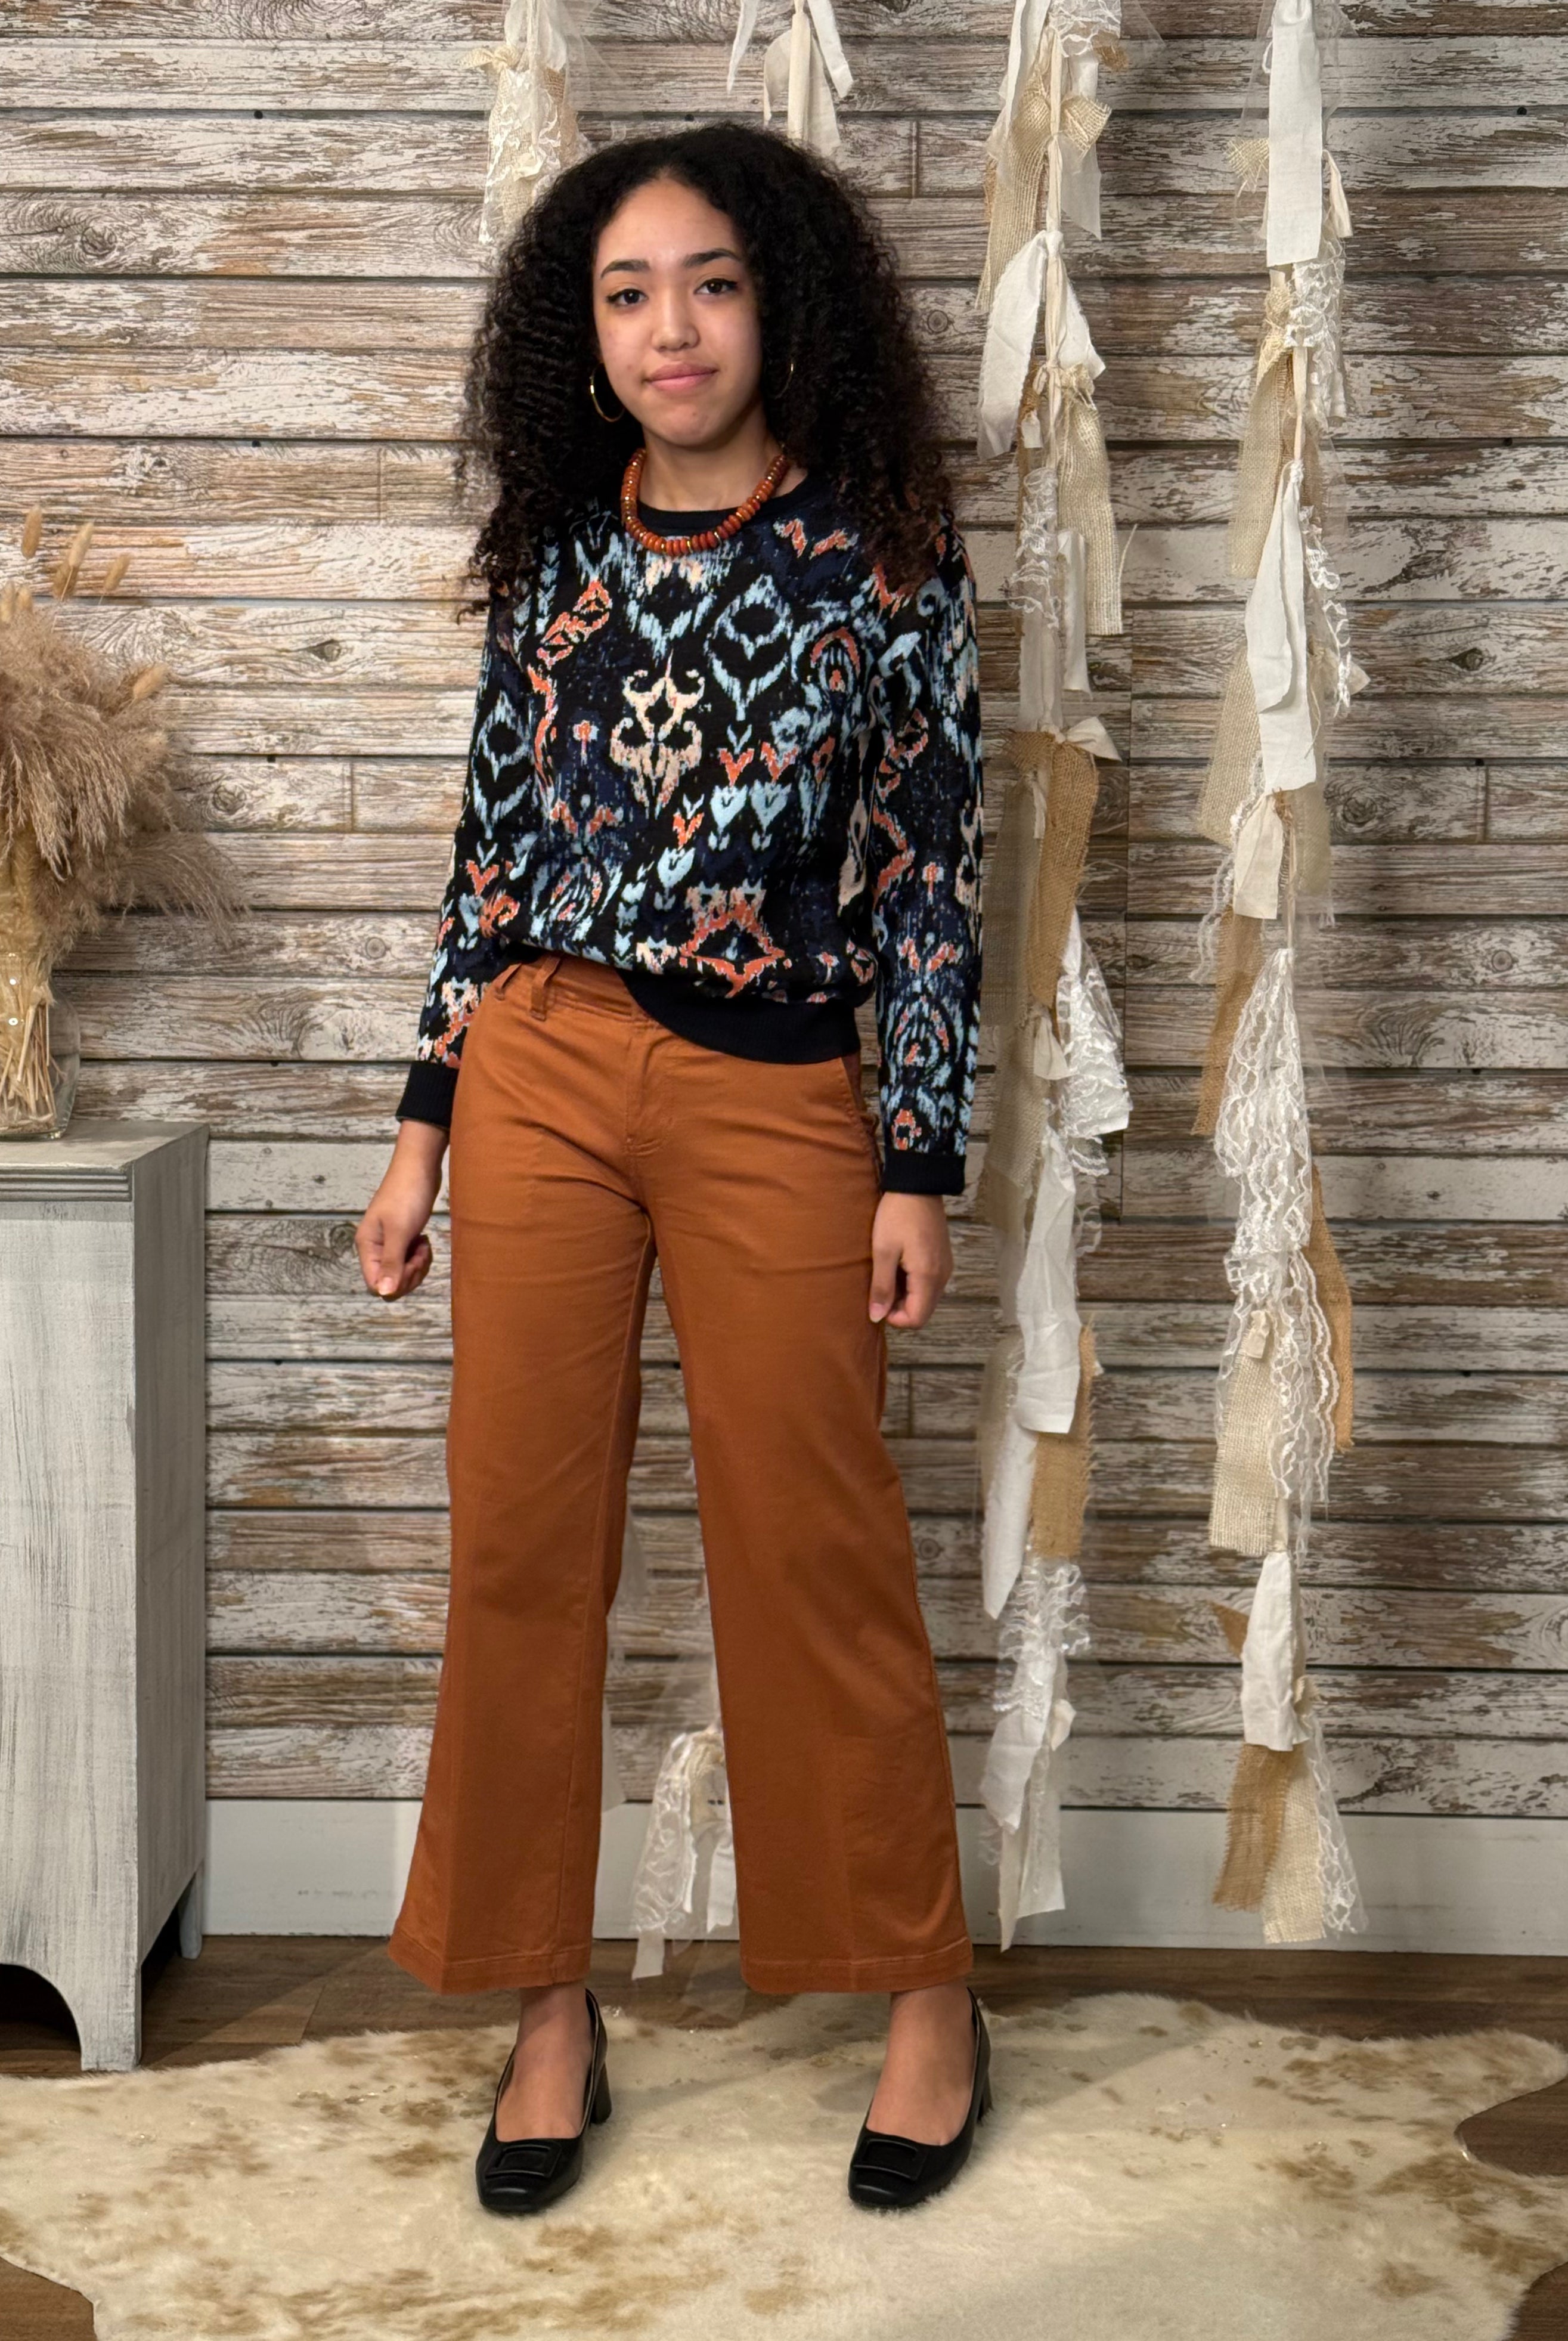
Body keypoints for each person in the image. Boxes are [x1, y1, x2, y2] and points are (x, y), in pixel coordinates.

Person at [354, 119, 988, 2216]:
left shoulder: (884, 560)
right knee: (520, 1542)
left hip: (774, 1090)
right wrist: (421, 1131)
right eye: (627, 293)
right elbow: (490, 859)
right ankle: (547, 2012)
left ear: (779, 303)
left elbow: (927, 879)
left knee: (811, 1543)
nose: (670, 328)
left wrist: (917, 1159)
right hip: (537, 1070)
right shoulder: (554, 557)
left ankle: (922, 1998)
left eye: (708, 282)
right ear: (586, 333)